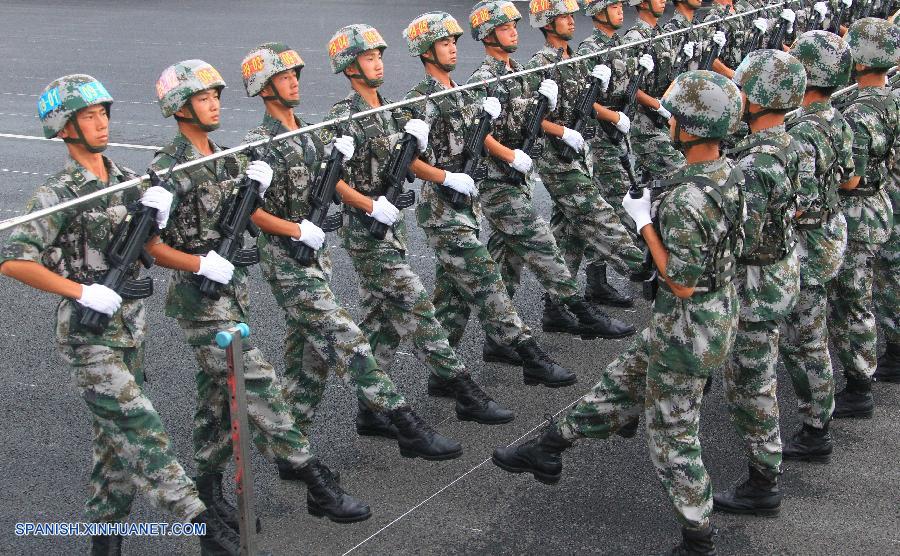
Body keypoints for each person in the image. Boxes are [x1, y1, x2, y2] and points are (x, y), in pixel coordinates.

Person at [492, 70, 745, 556]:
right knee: (622, 376)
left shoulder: (687, 199)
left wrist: (645, 223)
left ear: (688, 129)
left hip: (689, 324)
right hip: (712, 314)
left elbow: (681, 282)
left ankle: (698, 535)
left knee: (673, 433)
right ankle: (551, 445)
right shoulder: (730, 174)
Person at [0, 74, 237, 555]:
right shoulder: (59, 192)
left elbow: (148, 248)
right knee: (138, 424)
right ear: (65, 128)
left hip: (131, 328)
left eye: (103, 113)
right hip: (88, 335)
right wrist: (80, 292)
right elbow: (14, 259)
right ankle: (201, 526)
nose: (101, 123)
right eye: (88, 116)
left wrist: (158, 221)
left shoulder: (129, 180)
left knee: (114, 445)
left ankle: (104, 544)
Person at [146, 59, 371, 523]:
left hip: (232, 293)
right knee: (256, 382)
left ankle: (207, 493)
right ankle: (313, 478)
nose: (214, 105)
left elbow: (248, 216)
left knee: (215, 402)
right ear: (179, 107)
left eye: (215, 97)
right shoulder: (167, 169)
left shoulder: (225, 157)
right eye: (203, 98)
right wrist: (198, 261)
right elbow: (149, 247)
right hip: (200, 301)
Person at [400, 11, 563, 406]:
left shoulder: (460, 90)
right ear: (426, 51)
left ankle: (443, 376)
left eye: (454, 42)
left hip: (465, 204)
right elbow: (407, 162)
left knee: (454, 293)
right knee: (485, 277)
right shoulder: (418, 99)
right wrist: (444, 178)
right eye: (443, 43)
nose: (452, 48)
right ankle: (528, 353)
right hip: (441, 206)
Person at [523, 0, 645, 337]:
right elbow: (528, 119)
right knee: (596, 214)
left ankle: (556, 307)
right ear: (547, 24)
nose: (570, 21)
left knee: (570, 231)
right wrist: (562, 131)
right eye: (562, 17)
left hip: (580, 152)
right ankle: (648, 272)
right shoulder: (542, 64)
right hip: (556, 157)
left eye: (570, 15)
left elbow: (582, 103)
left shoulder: (572, 58)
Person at [779, 30, 854, 462]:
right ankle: (817, 417)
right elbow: (848, 176)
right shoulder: (836, 118)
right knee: (810, 331)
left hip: (809, 242)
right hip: (832, 229)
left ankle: (816, 427)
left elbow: (799, 204)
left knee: (805, 338)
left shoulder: (802, 130)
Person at [829, 18, 900, 415]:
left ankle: (859, 385)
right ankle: (890, 354)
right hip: (882, 201)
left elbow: (851, 177)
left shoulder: (859, 112)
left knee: (852, 299)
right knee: (884, 281)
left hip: (859, 210)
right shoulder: (891, 98)